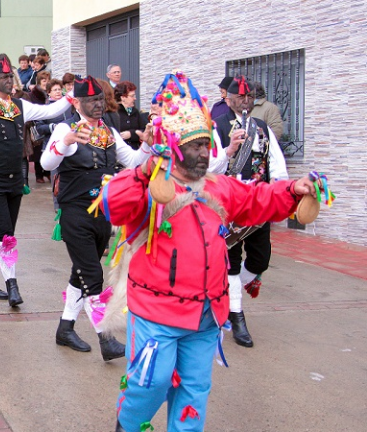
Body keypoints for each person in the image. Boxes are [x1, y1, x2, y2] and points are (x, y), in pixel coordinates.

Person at [105, 71, 315, 432]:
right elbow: (113, 205)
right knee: (148, 384)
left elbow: (257, 199)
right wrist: (144, 171)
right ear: (174, 147)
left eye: (206, 145)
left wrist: (293, 189)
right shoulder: (152, 185)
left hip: (206, 315)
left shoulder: (219, 185)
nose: (205, 153)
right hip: (157, 314)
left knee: (194, 392)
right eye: (195, 146)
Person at [41, 75, 150, 362]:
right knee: (92, 275)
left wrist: (149, 146)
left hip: (104, 213)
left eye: (100, 99)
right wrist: (64, 142)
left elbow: (134, 162)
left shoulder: (109, 132)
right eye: (91, 100)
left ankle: (65, 329)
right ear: (77, 102)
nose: (98, 104)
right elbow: (46, 163)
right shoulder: (66, 128)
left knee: (81, 273)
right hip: (75, 213)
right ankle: (106, 338)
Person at [0, 57, 73, 307]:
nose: (10, 81)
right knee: (5, 234)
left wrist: (72, 98)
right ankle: (12, 285)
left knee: (2, 232)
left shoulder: (20, 105)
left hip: (15, 179)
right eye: (4, 77)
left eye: (11, 77)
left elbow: (50, 111)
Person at [213, 76, 288, 348]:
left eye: (249, 96)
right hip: (229, 202)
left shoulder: (262, 127)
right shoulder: (217, 126)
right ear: (228, 98)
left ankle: (226, 294)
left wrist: (280, 193)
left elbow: (275, 164)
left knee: (260, 259)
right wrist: (229, 149)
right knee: (231, 260)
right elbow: (211, 168)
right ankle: (236, 313)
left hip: (258, 201)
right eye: (240, 96)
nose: (245, 100)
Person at [115, 81, 144, 150]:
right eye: (132, 96)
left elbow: (144, 130)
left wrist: (131, 134)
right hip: (119, 154)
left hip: (136, 151)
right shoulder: (114, 113)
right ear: (123, 98)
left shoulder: (135, 112)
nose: (135, 98)